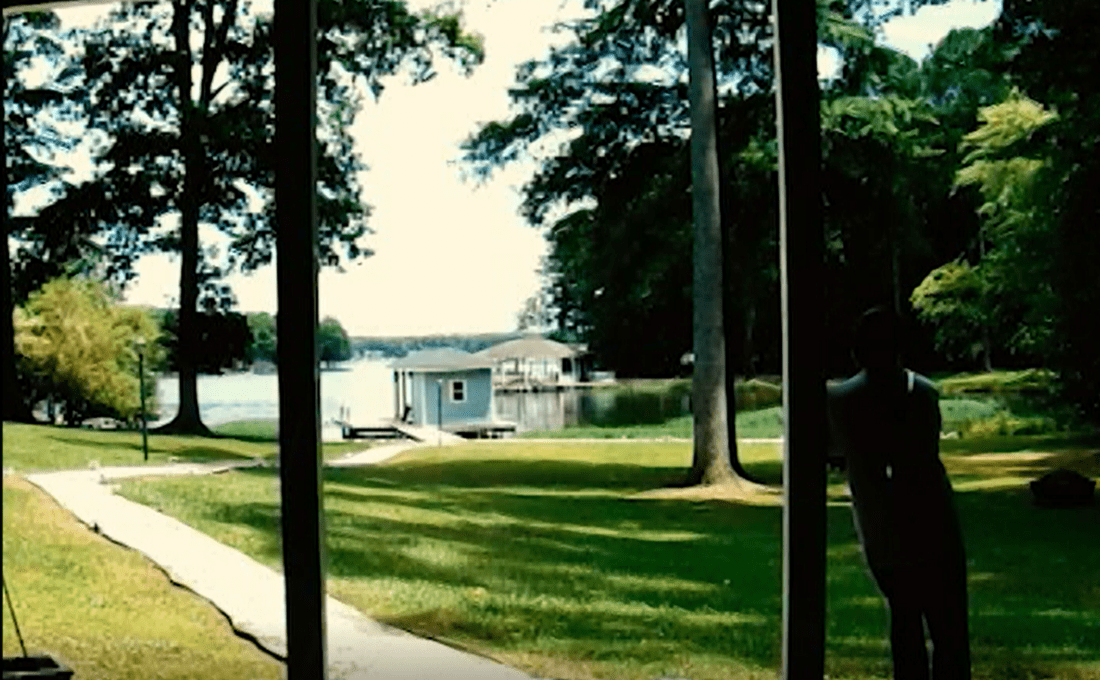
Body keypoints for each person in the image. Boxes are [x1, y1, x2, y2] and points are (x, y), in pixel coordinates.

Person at [827, 307, 971, 680]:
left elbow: (832, 453)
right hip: (935, 524)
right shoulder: (923, 394)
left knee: (905, 619)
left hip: (882, 531)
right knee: (948, 628)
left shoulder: (841, 402)